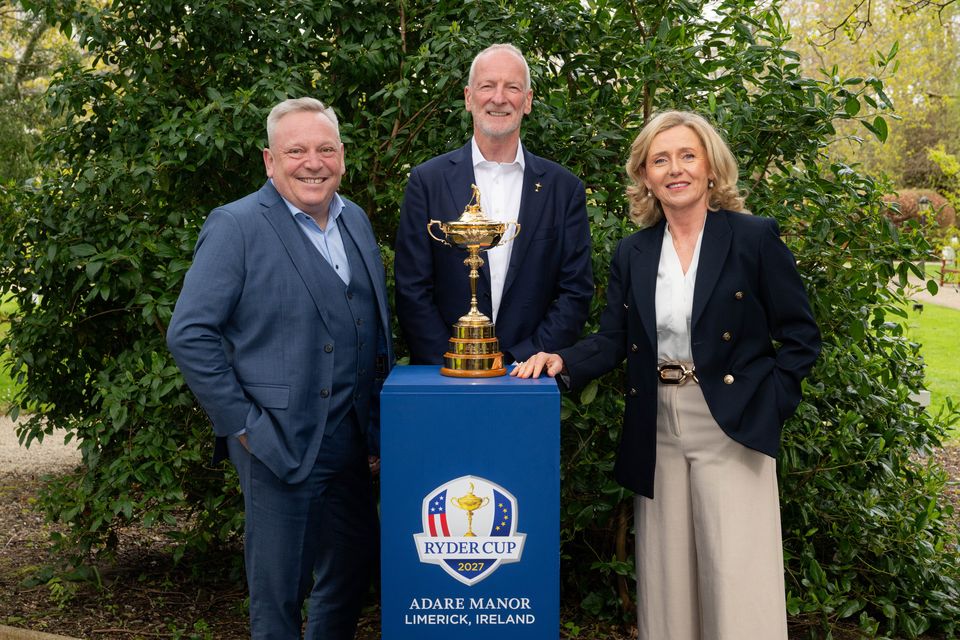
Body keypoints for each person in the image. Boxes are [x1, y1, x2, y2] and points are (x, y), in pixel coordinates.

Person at [513, 110, 821, 639]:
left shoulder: (753, 237)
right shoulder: (633, 252)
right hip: (656, 424)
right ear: (646, 176)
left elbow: (801, 336)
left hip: (732, 423)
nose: (675, 169)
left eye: (687, 156)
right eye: (660, 160)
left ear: (710, 167)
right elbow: (614, 338)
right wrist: (564, 359)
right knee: (667, 582)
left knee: (736, 578)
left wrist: (768, 405)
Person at [166, 97, 393, 639]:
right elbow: (189, 333)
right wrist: (243, 425)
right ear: (270, 160)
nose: (313, 162)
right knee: (278, 595)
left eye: (325, 149)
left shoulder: (355, 220)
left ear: (342, 157)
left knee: (349, 576)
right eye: (296, 151)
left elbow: (371, 330)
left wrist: (376, 427)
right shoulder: (237, 225)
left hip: (351, 442)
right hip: (275, 441)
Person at [394, 43, 593, 365]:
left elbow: (575, 291)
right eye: (487, 86)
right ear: (469, 97)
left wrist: (519, 360)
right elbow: (411, 288)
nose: (499, 98)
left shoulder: (564, 189)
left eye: (512, 87)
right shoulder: (427, 182)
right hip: (445, 372)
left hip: (528, 374)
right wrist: (454, 361)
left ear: (527, 101)